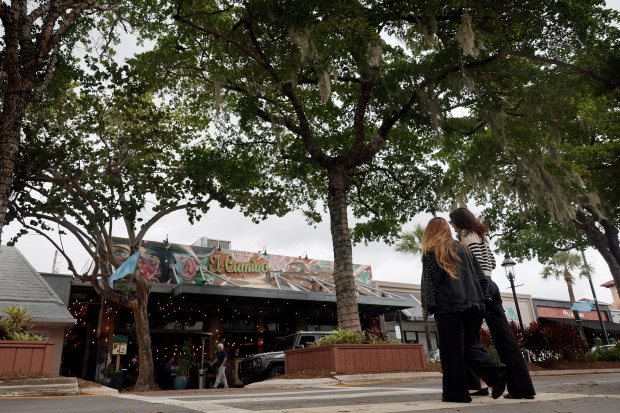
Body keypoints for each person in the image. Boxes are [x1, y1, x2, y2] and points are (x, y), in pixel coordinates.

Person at [449, 207, 536, 400]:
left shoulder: (465, 235)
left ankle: (482, 381)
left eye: (451, 221)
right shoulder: (480, 235)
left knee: (467, 338)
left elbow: (475, 261)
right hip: (492, 284)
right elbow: (493, 263)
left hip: (480, 287)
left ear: (458, 221)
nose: (451, 225)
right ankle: (522, 387)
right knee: (505, 337)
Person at [421, 217, 506, 403]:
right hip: (474, 305)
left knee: (451, 351)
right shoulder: (464, 248)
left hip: (449, 306)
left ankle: (456, 392)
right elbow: (481, 277)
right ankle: (495, 371)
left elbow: (430, 283)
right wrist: (483, 300)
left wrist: (429, 306)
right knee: (470, 345)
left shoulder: (431, 251)